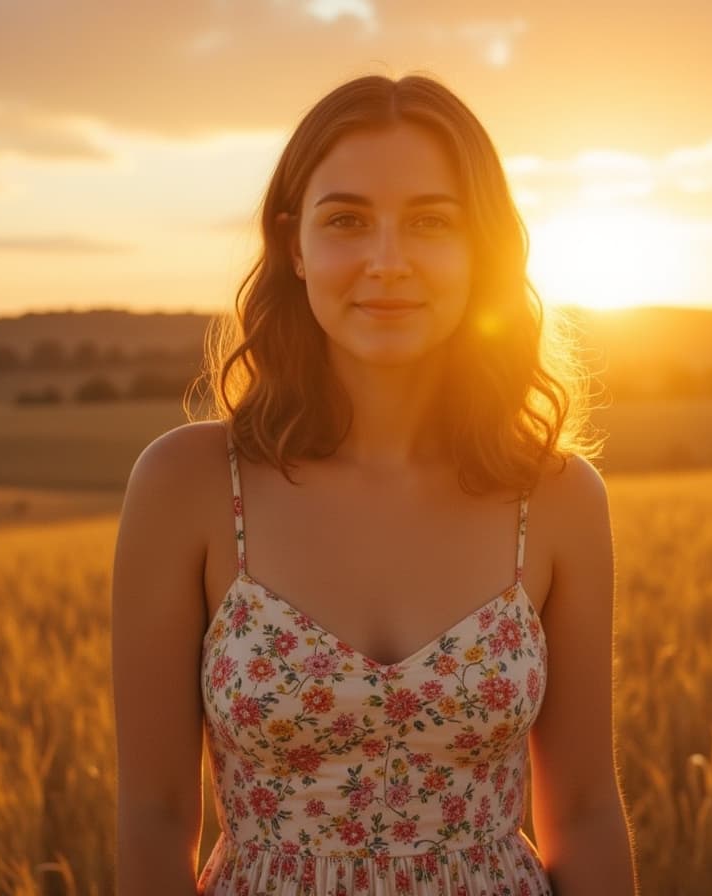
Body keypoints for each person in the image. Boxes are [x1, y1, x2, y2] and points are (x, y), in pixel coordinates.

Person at [112, 74, 637, 895]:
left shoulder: (558, 497)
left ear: (482, 249)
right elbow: (153, 814)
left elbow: (587, 809)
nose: (388, 263)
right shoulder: (188, 485)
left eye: (431, 222)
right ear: (293, 245)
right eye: (347, 220)